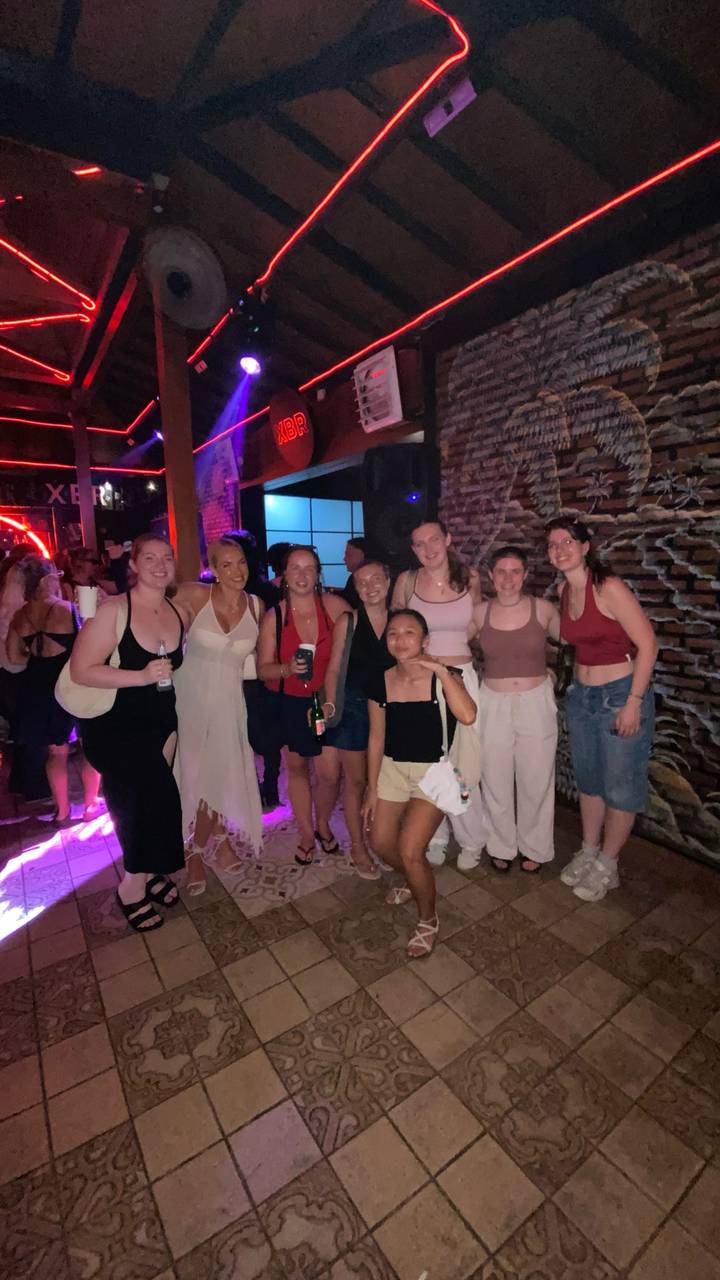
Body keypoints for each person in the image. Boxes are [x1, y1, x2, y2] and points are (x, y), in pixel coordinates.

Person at [71, 535, 188, 932]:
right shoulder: (114, 611)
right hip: (115, 727)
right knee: (141, 806)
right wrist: (140, 676)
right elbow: (81, 670)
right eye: (149, 558)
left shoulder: (176, 611)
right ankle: (132, 887)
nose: (160, 565)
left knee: (154, 802)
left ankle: (151, 870)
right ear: (133, 564)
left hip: (160, 722)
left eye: (167, 557)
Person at [547, 517, 658, 902]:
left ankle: (607, 865)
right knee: (590, 781)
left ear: (585, 547)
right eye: (552, 544)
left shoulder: (607, 587)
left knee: (620, 786)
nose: (559, 549)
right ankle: (589, 850)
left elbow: (649, 645)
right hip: (582, 696)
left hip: (619, 695)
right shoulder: (564, 590)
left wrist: (633, 703)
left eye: (567, 541)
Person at [363, 609, 477, 957]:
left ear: (425, 640)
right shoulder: (381, 679)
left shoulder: (445, 676)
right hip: (393, 769)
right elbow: (376, 738)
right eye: (393, 633)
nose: (400, 640)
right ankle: (415, 879)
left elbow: (468, 715)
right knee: (380, 842)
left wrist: (441, 672)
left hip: (434, 774)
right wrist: (371, 788)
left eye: (409, 633)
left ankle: (428, 918)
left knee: (411, 851)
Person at [392, 519, 486, 870]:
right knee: (428, 760)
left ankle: (472, 838)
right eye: (420, 543)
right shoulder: (407, 581)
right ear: (413, 549)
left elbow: (476, 625)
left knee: (464, 762)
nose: (428, 549)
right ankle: (435, 835)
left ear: (447, 539)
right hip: (422, 678)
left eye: (434, 539)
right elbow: (398, 629)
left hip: (462, 678)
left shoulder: (470, 578)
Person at [173, 537, 263, 895]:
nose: (236, 571)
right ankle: (201, 848)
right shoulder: (195, 595)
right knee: (197, 773)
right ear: (212, 568)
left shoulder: (256, 605)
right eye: (226, 564)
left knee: (219, 771)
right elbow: (153, 616)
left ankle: (209, 842)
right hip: (190, 699)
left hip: (229, 702)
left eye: (241, 562)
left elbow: (258, 660)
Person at [257, 545, 349, 865]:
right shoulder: (275, 616)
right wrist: (286, 669)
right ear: (283, 575)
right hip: (291, 702)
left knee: (329, 774)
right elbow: (262, 669)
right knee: (296, 769)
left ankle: (323, 823)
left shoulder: (334, 606)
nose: (302, 574)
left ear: (318, 574)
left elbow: (362, 637)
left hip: (326, 700)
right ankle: (307, 833)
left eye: (309, 568)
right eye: (295, 568)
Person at [473, 546, 560, 873]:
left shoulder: (544, 609)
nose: (508, 579)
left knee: (536, 778)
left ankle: (535, 846)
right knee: (494, 778)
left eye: (515, 572)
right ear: (491, 576)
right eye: (501, 572)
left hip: (535, 701)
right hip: (492, 702)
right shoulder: (479, 613)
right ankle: (501, 845)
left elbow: (573, 640)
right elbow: (452, 645)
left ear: (525, 575)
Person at [7, 555, 99, 822]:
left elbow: (14, 657)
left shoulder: (20, 616)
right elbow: (89, 644)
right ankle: (90, 806)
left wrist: (36, 657)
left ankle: (62, 811)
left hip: (39, 688)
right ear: (47, 579)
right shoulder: (67, 609)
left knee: (56, 752)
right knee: (90, 747)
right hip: (72, 683)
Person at [323, 558, 393, 879]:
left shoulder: (399, 620)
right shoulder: (348, 620)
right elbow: (334, 667)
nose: (370, 586)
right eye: (362, 582)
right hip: (352, 707)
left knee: (386, 779)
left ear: (388, 582)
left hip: (390, 709)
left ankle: (382, 839)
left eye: (376, 579)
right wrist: (330, 703)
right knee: (356, 782)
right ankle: (358, 846)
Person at [224, 530, 283, 809]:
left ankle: (261, 787)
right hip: (250, 672)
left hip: (254, 672)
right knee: (260, 735)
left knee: (252, 734)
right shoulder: (264, 590)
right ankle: (266, 787)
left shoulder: (262, 593)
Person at [340, 537, 367, 608]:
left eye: (349, 555)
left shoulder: (364, 578)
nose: (344, 559)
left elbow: (351, 602)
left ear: (363, 555)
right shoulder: (353, 577)